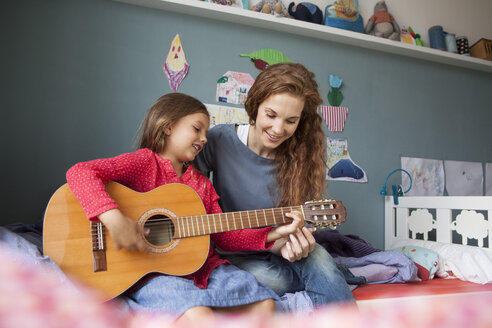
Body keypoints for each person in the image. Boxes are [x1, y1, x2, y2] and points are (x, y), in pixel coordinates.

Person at [65, 93, 304, 321]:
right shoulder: (145, 162)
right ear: (168, 127)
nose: (204, 138)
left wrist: (274, 234)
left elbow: (224, 236)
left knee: (264, 305)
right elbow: (80, 172)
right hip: (155, 272)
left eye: (206, 133)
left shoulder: (202, 184)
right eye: (197, 128)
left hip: (206, 270)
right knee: (198, 315)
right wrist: (114, 220)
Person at [194, 63, 355, 308]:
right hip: (236, 251)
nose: (278, 129)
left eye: (291, 121)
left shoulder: (301, 158)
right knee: (270, 279)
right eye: (271, 115)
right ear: (255, 105)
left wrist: (292, 243)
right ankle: (331, 280)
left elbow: (296, 221)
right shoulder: (218, 140)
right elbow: (187, 194)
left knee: (320, 259)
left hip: (279, 245)